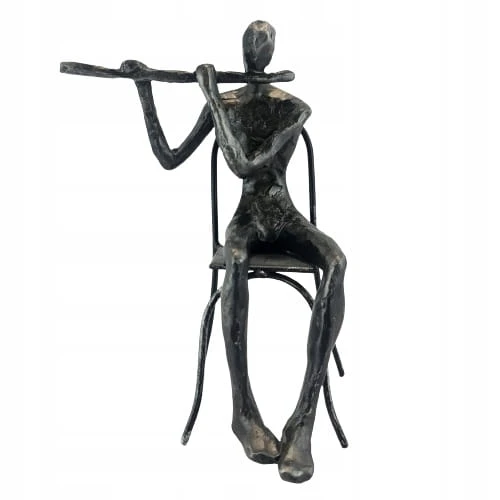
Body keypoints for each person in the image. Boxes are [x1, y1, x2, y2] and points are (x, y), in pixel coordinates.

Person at [121, 20, 346, 484]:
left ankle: (303, 419)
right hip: (247, 220)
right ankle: (243, 411)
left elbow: (242, 163)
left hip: (284, 217)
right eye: (253, 43)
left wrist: (210, 96)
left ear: (270, 53)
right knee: (237, 258)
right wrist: (145, 90)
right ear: (245, 53)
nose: (258, 50)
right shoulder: (225, 104)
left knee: (336, 260)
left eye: (265, 43)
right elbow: (169, 158)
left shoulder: (293, 109)